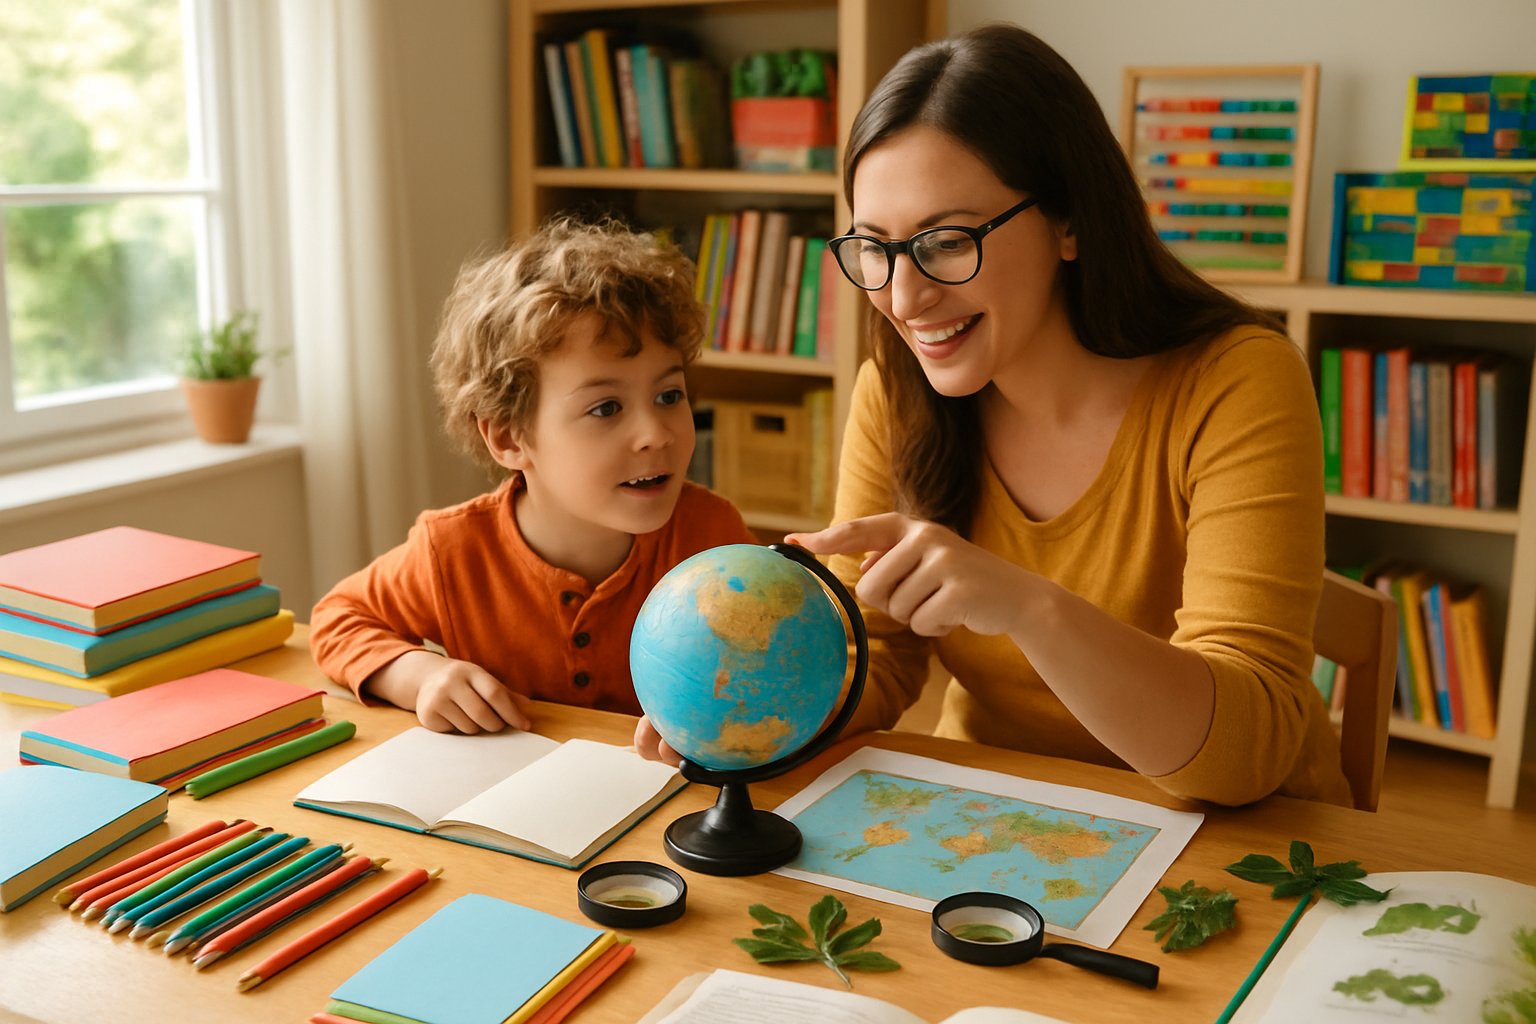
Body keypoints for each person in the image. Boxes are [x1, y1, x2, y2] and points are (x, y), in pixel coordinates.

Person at [638, 24, 1349, 807]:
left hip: (1242, 840)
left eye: (946, 241)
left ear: (1070, 219)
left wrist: (1029, 608)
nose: (905, 300)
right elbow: (875, 654)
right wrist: (756, 711)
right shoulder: (897, 390)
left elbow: (1243, 756)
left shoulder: (1236, 379)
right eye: (875, 247)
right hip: (1000, 821)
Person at [311, 218, 757, 734]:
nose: (655, 434)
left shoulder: (711, 538)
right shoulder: (452, 551)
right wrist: (418, 675)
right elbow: (338, 617)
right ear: (507, 438)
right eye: (607, 407)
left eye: (668, 396)